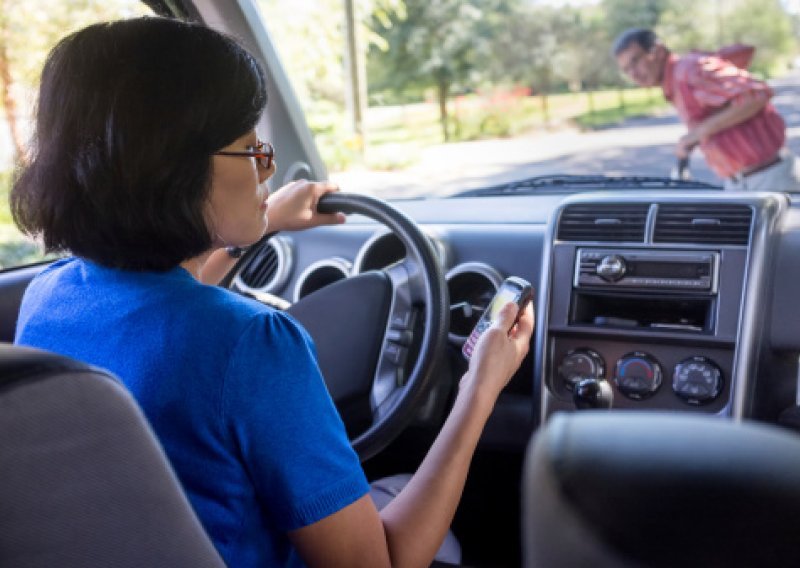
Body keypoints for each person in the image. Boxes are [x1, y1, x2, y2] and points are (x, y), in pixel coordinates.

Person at [11, 16, 534, 568]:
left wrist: (261, 226)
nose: (271, 164)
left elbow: (161, 321)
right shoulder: (255, 343)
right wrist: (480, 388)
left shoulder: (50, 296)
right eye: (249, 148)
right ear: (172, 168)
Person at [613, 28, 800, 192]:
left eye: (635, 61)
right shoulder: (675, 83)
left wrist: (696, 134)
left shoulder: (690, 70)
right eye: (626, 69)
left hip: (769, 179)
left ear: (659, 51)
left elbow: (755, 95)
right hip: (742, 183)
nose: (633, 74)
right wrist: (695, 138)